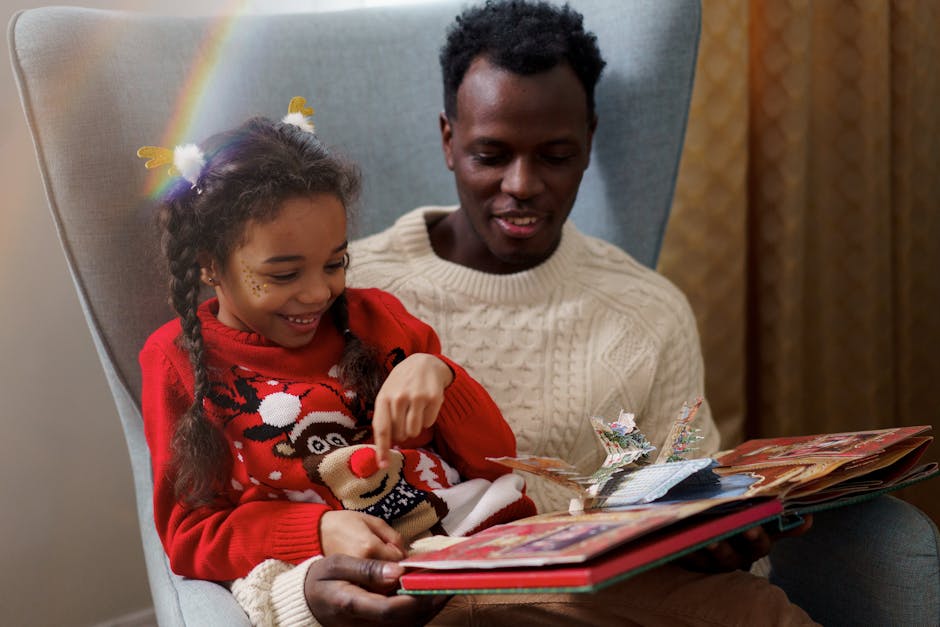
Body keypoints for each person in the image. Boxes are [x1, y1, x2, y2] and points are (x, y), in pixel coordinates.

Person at [235, 1, 939, 625]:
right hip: (426, 599)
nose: (521, 186)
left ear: (589, 141)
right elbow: (249, 482)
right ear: (448, 139)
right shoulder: (337, 289)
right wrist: (305, 587)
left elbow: (685, 500)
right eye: (490, 154)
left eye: (556, 155)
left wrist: (721, 541)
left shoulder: (647, 310)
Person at [137, 105, 536, 586]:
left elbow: (497, 462)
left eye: (335, 263)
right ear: (209, 265)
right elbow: (190, 536)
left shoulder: (380, 320)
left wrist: (442, 376)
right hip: (369, 586)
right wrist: (319, 529)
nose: (318, 293)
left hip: (480, 545)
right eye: (283, 274)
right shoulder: (174, 361)